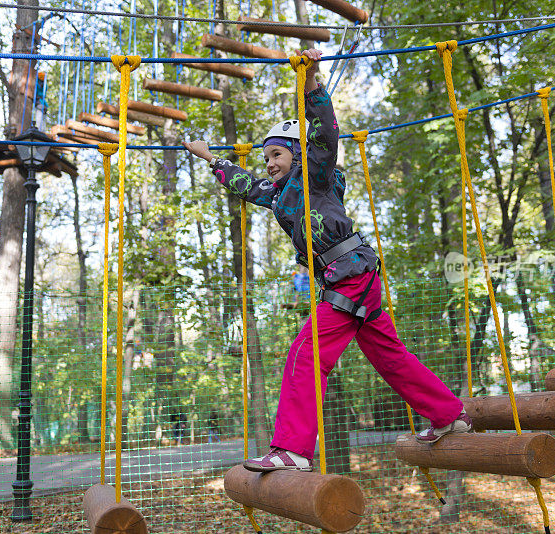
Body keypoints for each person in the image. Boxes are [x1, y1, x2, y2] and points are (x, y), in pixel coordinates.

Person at [183, 48, 472, 472]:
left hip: (350, 273)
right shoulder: (280, 192)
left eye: (277, 156)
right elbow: (246, 185)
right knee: (390, 356)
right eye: (267, 158)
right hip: (353, 276)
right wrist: (211, 158)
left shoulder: (315, 177)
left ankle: (293, 450)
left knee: (305, 353)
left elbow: (324, 135)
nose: (270, 164)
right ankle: (450, 415)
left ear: (298, 155)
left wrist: (312, 80)